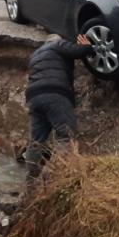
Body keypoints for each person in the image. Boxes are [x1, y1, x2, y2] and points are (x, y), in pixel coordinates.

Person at [23, 33, 93, 182]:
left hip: (34, 98)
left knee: (37, 140)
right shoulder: (57, 44)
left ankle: (31, 179)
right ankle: (56, 177)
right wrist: (87, 45)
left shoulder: (35, 55)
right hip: (55, 94)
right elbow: (78, 52)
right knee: (65, 135)